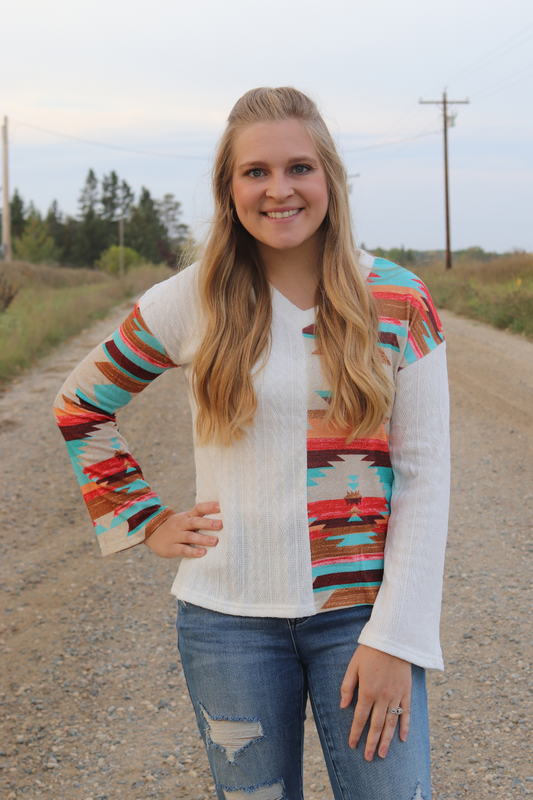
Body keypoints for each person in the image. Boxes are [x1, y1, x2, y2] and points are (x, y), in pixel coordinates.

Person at [54, 87, 450, 800]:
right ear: (229, 188)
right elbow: (81, 404)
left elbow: (425, 477)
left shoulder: (395, 298)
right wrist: (145, 518)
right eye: (255, 172)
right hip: (226, 625)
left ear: (328, 175)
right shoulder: (191, 299)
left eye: (298, 167)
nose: (278, 190)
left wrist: (396, 638)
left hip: (359, 615)